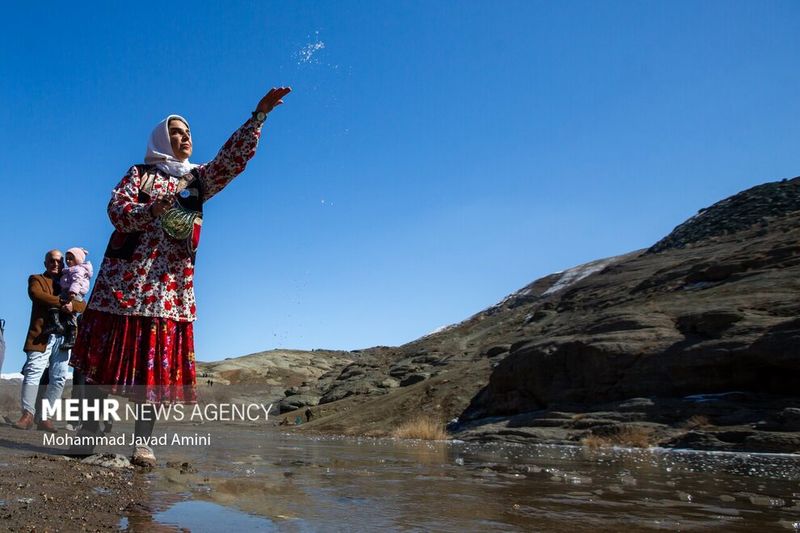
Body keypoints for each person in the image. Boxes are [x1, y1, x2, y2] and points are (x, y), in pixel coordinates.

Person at [70, 86, 291, 467]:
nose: (185, 136)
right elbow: (117, 210)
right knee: (97, 365)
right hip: (122, 286)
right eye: (176, 131)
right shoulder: (140, 174)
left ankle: (142, 444)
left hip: (167, 288)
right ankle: (88, 434)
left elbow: (231, 161)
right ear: (160, 138)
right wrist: (152, 209)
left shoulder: (199, 179)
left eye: (188, 132)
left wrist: (258, 118)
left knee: (149, 372)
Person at [14, 250, 86, 432]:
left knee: (59, 377)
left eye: (59, 261)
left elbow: (82, 304)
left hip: (63, 337)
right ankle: (27, 414)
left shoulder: (70, 281)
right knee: (33, 372)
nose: (56, 264)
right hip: (41, 336)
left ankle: (46, 417)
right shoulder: (36, 279)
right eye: (52, 261)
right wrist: (63, 303)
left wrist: (72, 305)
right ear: (45, 262)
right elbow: (37, 295)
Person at [45, 247, 93, 349]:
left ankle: (71, 337)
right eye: (67, 259)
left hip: (73, 293)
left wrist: (73, 292)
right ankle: (56, 324)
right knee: (58, 306)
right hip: (67, 292)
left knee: (70, 316)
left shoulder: (78, 270)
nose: (68, 261)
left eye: (71, 258)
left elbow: (77, 281)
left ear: (78, 259)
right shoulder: (69, 271)